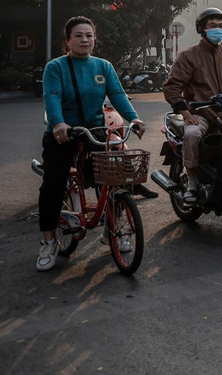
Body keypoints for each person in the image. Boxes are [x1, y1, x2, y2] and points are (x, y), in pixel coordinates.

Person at [36, 16, 145, 271]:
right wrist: (58, 124)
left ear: (95, 39)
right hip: (65, 131)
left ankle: (113, 229)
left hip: (95, 130)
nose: (85, 40)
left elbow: (116, 94)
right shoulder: (56, 67)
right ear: (68, 40)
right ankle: (49, 241)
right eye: (79, 36)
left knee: (114, 176)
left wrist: (134, 118)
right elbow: (51, 97)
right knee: (53, 184)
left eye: (89, 35)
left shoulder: (103, 66)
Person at [163, 7, 222, 206]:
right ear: (202, 29)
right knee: (191, 135)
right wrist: (185, 112)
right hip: (199, 114)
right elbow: (172, 87)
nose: (218, 30)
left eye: (221, 26)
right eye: (212, 26)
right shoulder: (188, 56)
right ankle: (192, 181)